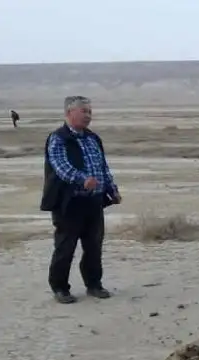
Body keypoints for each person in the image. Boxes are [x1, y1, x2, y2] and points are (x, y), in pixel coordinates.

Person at [40, 96, 121, 304]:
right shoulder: (59, 138)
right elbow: (61, 167)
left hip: (93, 202)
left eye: (90, 112)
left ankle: (94, 284)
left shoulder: (92, 138)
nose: (88, 115)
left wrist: (112, 189)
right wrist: (82, 179)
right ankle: (60, 288)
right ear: (69, 112)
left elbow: (103, 168)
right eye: (84, 111)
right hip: (69, 203)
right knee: (65, 247)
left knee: (94, 246)